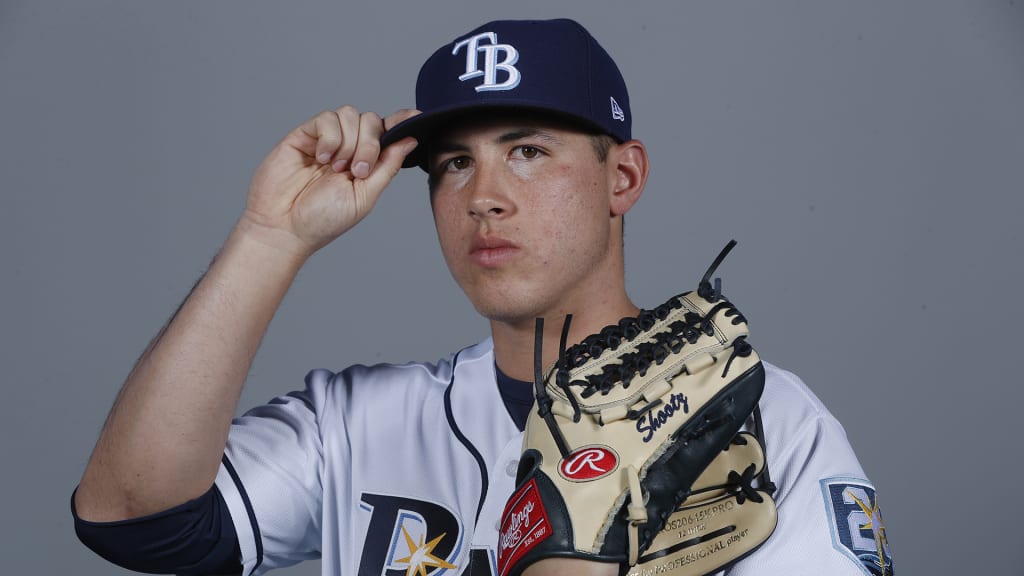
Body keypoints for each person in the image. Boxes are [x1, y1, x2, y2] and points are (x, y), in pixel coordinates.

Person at [72, 18, 892, 576]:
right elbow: (132, 515)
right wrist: (269, 235)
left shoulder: (766, 417)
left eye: (528, 151)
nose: (484, 197)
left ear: (624, 176)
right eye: (453, 163)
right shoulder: (356, 421)